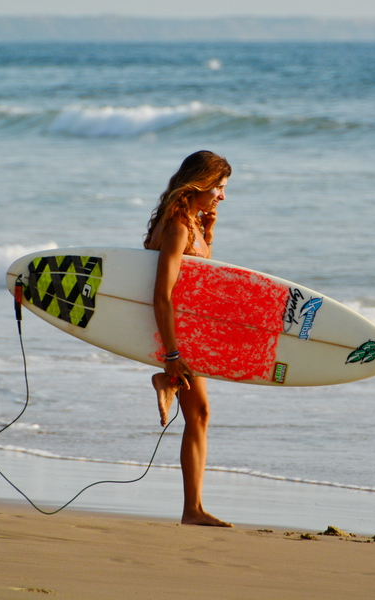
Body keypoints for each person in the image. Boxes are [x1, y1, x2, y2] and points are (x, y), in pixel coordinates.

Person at [144, 150, 233, 527]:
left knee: (200, 413)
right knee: (199, 413)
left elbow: (197, 279)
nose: (222, 197)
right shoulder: (179, 226)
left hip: (187, 332)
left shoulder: (186, 222)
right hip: (177, 334)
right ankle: (192, 510)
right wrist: (171, 353)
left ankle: (193, 508)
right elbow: (162, 294)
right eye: (219, 189)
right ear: (201, 184)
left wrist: (208, 232)